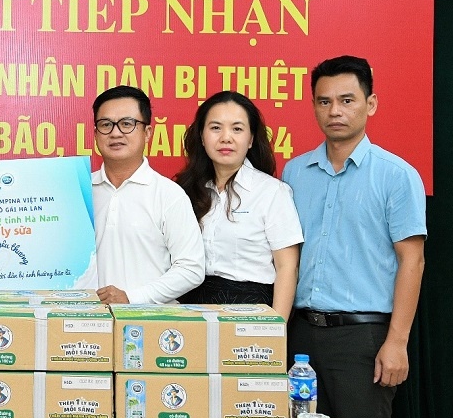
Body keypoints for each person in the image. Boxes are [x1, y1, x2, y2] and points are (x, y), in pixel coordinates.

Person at [283, 55, 426, 418]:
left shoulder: (396, 175)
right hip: (300, 335)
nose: (335, 111)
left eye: (347, 100)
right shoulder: (294, 172)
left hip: (362, 338)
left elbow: (412, 261)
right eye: (324, 101)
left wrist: (397, 342)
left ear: (370, 104)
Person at [175, 91, 302, 318]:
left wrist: (277, 327)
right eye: (215, 128)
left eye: (237, 129)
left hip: (251, 310)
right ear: (202, 137)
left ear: (251, 139)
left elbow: (287, 267)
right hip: (191, 309)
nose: (226, 138)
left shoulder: (272, 192)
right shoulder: (184, 192)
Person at [91, 85, 205, 304]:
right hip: (85, 319)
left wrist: (132, 298)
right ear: (96, 134)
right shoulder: (81, 193)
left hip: (149, 320)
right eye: (105, 124)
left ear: (147, 133)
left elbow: (192, 268)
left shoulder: (168, 195)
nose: (115, 133)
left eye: (127, 124)